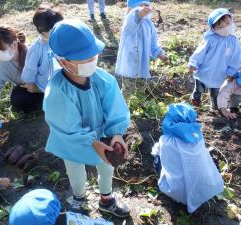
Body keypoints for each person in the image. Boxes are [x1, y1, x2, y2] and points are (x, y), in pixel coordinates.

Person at [43, 19, 131, 217]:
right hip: (72, 141)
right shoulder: (58, 91)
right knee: (75, 170)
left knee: (107, 167)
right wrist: (92, 143)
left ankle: (106, 199)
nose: (92, 60)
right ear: (63, 61)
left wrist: (116, 134)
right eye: (85, 58)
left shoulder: (102, 79)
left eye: (94, 55)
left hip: (102, 134)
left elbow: (115, 107)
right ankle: (79, 197)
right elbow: (67, 128)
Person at [151, 103, 224, 213]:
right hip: (207, 189)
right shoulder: (198, 138)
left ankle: (175, 193)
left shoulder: (165, 141)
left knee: (157, 160)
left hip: (179, 194)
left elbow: (155, 151)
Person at [188, 8, 241, 110]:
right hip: (204, 69)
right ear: (214, 29)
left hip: (219, 73)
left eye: (227, 23)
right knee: (199, 87)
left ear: (231, 20)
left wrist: (231, 72)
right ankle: (196, 99)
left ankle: (215, 106)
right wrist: (193, 62)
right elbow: (200, 51)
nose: (225, 28)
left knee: (215, 91)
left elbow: (235, 58)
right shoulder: (210, 38)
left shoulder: (234, 41)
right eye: (220, 27)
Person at [115, 0, 167, 100]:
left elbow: (153, 43)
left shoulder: (149, 24)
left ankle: (140, 106)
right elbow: (129, 25)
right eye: (139, 6)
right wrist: (137, 14)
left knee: (141, 87)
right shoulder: (129, 21)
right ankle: (121, 108)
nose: (143, 8)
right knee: (127, 89)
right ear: (130, 9)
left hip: (142, 64)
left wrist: (160, 54)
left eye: (146, 5)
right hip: (129, 64)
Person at [0, 26, 42, 113]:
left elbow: (51, 75)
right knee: (18, 98)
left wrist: (40, 87)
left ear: (14, 44)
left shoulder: (32, 52)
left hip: (47, 88)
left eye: (2, 49)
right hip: (28, 92)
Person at [21, 4, 63, 95]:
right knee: (19, 97)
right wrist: (36, 87)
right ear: (42, 30)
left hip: (65, 84)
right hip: (44, 87)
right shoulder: (36, 48)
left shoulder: (65, 40)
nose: (59, 31)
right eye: (55, 29)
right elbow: (29, 74)